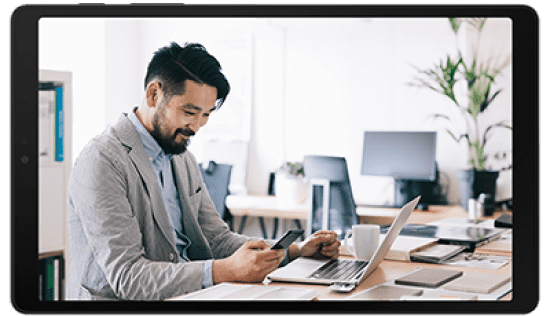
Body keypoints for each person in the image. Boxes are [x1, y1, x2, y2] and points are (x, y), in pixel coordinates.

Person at [66, 42, 341, 301]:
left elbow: (216, 239)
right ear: (153, 94)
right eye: (189, 111)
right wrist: (226, 271)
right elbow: (127, 277)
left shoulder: (181, 157)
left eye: (206, 114)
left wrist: (292, 251)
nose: (197, 127)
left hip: (191, 297)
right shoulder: (102, 161)